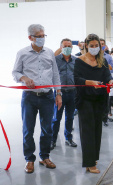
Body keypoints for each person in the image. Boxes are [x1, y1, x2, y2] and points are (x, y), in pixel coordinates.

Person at [12, 24, 62, 173]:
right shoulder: (22, 53)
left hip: (47, 96)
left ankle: (45, 157)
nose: (42, 39)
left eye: (43, 36)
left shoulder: (50, 53)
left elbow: (55, 75)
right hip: (29, 97)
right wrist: (24, 78)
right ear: (30, 37)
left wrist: (58, 93)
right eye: (38, 36)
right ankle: (29, 159)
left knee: (47, 129)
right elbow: (15, 72)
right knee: (28, 129)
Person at [74, 33, 113, 174]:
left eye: (97, 46)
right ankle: (89, 163)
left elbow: (107, 75)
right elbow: (76, 79)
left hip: (100, 99)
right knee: (88, 132)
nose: (95, 48)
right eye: (92, 46)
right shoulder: (79, 61)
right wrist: (90, 83)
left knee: (97, 130)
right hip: (85, 100)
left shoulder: (101, 61)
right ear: (86, 46)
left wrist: (110, 82)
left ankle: (94, 158)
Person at [51, 38, 77, 150]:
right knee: (56, 118)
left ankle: (69, 138)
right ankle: (53, 139)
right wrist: (58, 92)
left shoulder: (76, 60)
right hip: (59, 93)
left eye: (69, 46)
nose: (67, 48)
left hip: (72, 93)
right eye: (65, 46)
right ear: (61, 47)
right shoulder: (55, 59)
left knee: (70, 117)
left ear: (72, 48)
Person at [100, 38, 113, 126]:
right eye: (100, 44)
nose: (101, 45)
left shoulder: (108, 57)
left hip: (105, 83)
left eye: (103, 44)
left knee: (105, 101)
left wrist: (106, 67)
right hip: (94, 83)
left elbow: (111, 69)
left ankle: (105, 119)